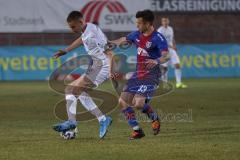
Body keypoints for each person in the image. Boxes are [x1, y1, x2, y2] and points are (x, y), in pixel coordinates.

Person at [109, 10, 170, 140]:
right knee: (122, 101)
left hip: (151, 75)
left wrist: (156, 60)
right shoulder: (137, 34)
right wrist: (111, 43)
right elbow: (123, 39)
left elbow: (166, 56)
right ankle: (137, 130)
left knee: (138, 104)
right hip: (138, 74)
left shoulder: (158, 38)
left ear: (148, 24)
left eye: (139, 23)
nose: (137, 26)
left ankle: (154, 118)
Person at [52, 11, 112, 139]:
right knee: (80, 93)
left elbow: (109, 52)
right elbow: (81, 39)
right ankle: (103, 119)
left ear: (80, 22)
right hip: (95, 66)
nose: (71, 29)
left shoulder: (93, 33)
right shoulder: (87, 29)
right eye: (70, 27)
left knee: (71, 89)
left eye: (73, 27)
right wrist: (66, 51)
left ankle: (72, 122)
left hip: (101, 66)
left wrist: (111, 70)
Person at [157, 17, 187, 88]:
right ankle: (164, 83)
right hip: (164, 50)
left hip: (171, 50)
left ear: (168, 21)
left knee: (177, 65)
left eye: (166, 20)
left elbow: (172, 38)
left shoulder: (170, 29)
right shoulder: (160, 30)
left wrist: (174, 46)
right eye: (164, 21)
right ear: (162, 22)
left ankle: (178, 83)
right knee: (164, 68)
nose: (165, 22)